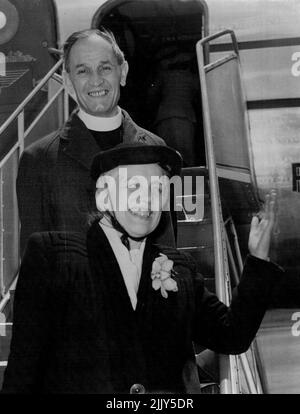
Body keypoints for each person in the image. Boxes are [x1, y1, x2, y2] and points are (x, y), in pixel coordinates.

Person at [2, 142, 285, 394]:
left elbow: (232, 335)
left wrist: (258, 260)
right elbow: (23, 370)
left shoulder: (180, 270)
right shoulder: (52, 257)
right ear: (104, 196)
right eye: (133, 187)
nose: (146, 200)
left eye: (158, 189)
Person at [16, 28, 174, 253]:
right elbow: (35, 266)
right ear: (69, 83)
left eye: (105, 68)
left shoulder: (157, 149)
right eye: (83, 71)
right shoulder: (39, 159)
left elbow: (167, 251)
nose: (96, 81)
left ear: (123, 72)